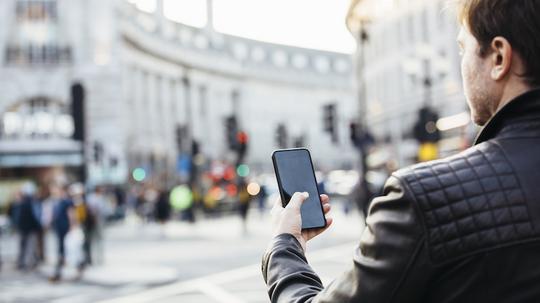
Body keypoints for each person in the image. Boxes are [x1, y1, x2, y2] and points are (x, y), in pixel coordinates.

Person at [262, 1, 540, 302]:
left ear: (499, 57)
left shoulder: (422, 198)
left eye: (463, 49)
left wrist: (284, 244)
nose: (461, 64)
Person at [50, 184, 75, 282]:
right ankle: (62, 259)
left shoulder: (66, 201)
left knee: (67, 245)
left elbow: (71, 214)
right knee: (61, 245)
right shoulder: (58, 201)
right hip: (59, 227)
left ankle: (65, 260)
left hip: (65, 226)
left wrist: (72, 225)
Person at [16, 183, 42, 270]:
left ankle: (22, 262)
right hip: (30, 228)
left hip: (23, 228)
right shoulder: (32, 202)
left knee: (23, 246)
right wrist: (37, 226)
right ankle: (29, 263)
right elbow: (35, 216)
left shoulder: (22, 202)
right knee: (30, 246)